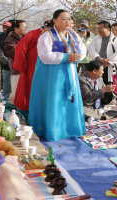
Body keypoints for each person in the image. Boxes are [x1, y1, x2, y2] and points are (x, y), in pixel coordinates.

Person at [28, 9, 87, 141]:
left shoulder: (74, 35)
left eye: (69, 19)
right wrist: (67, 57)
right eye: (64, 19)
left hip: (70, 71)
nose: (68, 21)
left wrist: (77, 58)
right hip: (51, 74)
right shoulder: (47, 35)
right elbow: (44, 56)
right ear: (54, 20)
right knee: (53, 100)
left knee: (69, 100)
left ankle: (70, 128)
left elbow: (83, 50)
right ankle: (53, 130)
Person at [13, 20, 53, 120]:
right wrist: (23, 68)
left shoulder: (55, 36)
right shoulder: (33, 34)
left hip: (48, 71)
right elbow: (19, 50)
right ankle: (26, 119)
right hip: (31, 70)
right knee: (28, 94)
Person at [89, 21, 117, 86]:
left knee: (111, 87)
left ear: (108, 29)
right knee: (98, 87)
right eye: (98, 29)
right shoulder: (95, 39)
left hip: (111, 67)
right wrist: (100, 59)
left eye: (100, 29)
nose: (98, 30)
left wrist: (107, 62)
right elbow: (91, 50)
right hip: (98, 66)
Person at [4, 20, 27, 103]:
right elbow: (17, 53)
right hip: (17, 70)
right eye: (23, 27)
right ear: (15, 28)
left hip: (28, 69)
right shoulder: (9, 40)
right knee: (16, 93)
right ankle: (14, 111)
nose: (26, 29)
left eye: (26, 27)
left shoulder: (27, 37)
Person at [0, 27, 12, 100]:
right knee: (6, 87)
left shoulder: (20, 43)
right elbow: (1, 56)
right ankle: (5, 102)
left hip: (18, 69)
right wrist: (10, 63)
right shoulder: (2, 44)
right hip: (7, 68)